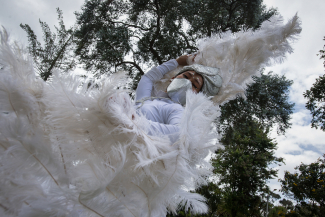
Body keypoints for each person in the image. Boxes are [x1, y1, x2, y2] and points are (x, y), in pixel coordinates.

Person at [135, 55, 222, 137]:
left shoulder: (177, 110)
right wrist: (176, 62)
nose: (187, 82)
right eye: (186, 76)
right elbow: (148, 78)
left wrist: (136, 122)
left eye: (195, 85)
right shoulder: (145, 100)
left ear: (197, 96)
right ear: (173, 78)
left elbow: (178, 134)